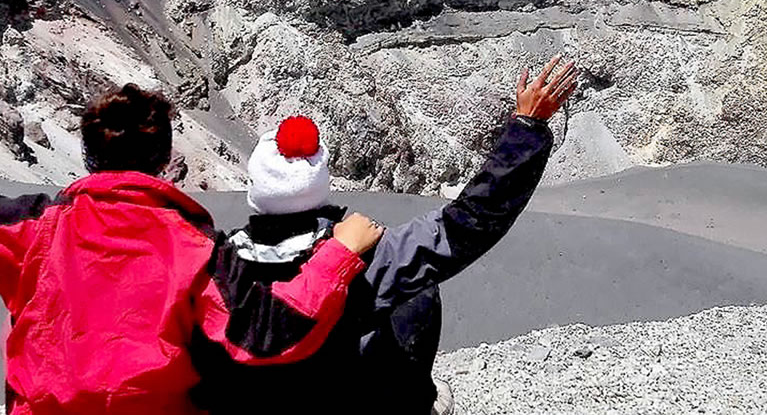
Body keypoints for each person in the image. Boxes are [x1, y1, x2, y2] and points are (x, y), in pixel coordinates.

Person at [0, 76, 385, 415]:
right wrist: (341, 251)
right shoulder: (195, 249)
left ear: (88, 156)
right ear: (166, 163)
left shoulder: (33, 231)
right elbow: (269, 332)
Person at [190, 55, 578, 415]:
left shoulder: (212, 264)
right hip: (342, 398)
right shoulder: (371, 256)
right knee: (416, 289)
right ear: (320, 185)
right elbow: (470, 220)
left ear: (255, 189)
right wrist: (527, 127)